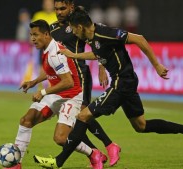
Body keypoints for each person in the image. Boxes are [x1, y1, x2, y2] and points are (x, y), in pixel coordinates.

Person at [33, 7, 183, 169]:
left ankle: (59, 161)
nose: (74, 33)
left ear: (80, 26)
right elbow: (98, 52)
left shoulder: (107, 33)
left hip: (121, 82)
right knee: (141, 125)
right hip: (127, 82)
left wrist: (157, 65)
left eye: (74, 29)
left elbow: (139, 39)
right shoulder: (91, 36)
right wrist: (75, 55)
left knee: (83, 116)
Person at [5, 19, 105, 169]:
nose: (32, 38)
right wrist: (33, 82)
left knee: (60, 138)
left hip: (71, 96)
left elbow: (68, 82)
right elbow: (50, 71)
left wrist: (43, 91)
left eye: (36, 35)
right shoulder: (48, 49)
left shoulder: (55, 54)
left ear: (46, 34)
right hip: (57, 94)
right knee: (26, 120)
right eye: (31, 34)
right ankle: (16, 164)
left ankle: (94, 154)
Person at [50, 0, 120, 167]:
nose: (59, 12)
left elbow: (97, 44)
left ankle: (109, 146)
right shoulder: (52, 29)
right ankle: (97, 153)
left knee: (82, 115)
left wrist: (102, 67)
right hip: (63, 80)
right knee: (73, 122)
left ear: (71, 8)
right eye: (56, 9)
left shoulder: (78, 25)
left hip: (80, 76)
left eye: (62, 8)